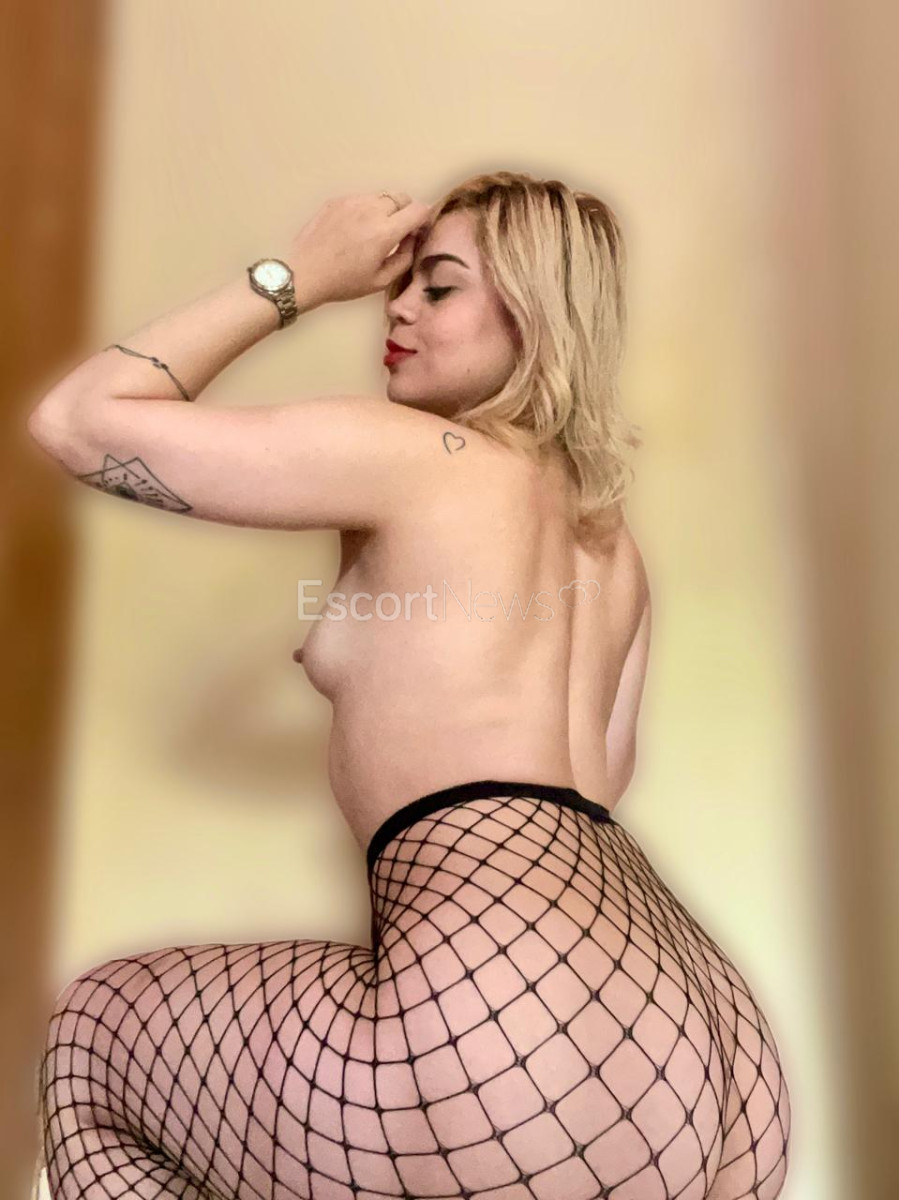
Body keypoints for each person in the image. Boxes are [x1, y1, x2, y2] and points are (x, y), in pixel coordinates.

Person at [31, 171, 791, 1199]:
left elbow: (78, 421)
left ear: (534, 308)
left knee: (91, 1033)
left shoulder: (416, 454)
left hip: (504, 1018)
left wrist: (298, 276)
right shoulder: (610, 546)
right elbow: (598, 780)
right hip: (708, 1046)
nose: (393, 308)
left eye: (437, 286)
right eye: (397, 287)